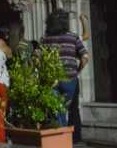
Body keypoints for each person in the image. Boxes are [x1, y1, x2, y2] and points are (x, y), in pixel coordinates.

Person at [42, 10, 90, 140]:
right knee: (66, 108)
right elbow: (85, 57)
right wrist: (77, 70)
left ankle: (61, 139)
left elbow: (39, 57)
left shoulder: (45, 38)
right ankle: (65, 139)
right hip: (70, 79)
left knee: (57, 110)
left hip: (52, 79)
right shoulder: (72, 37)